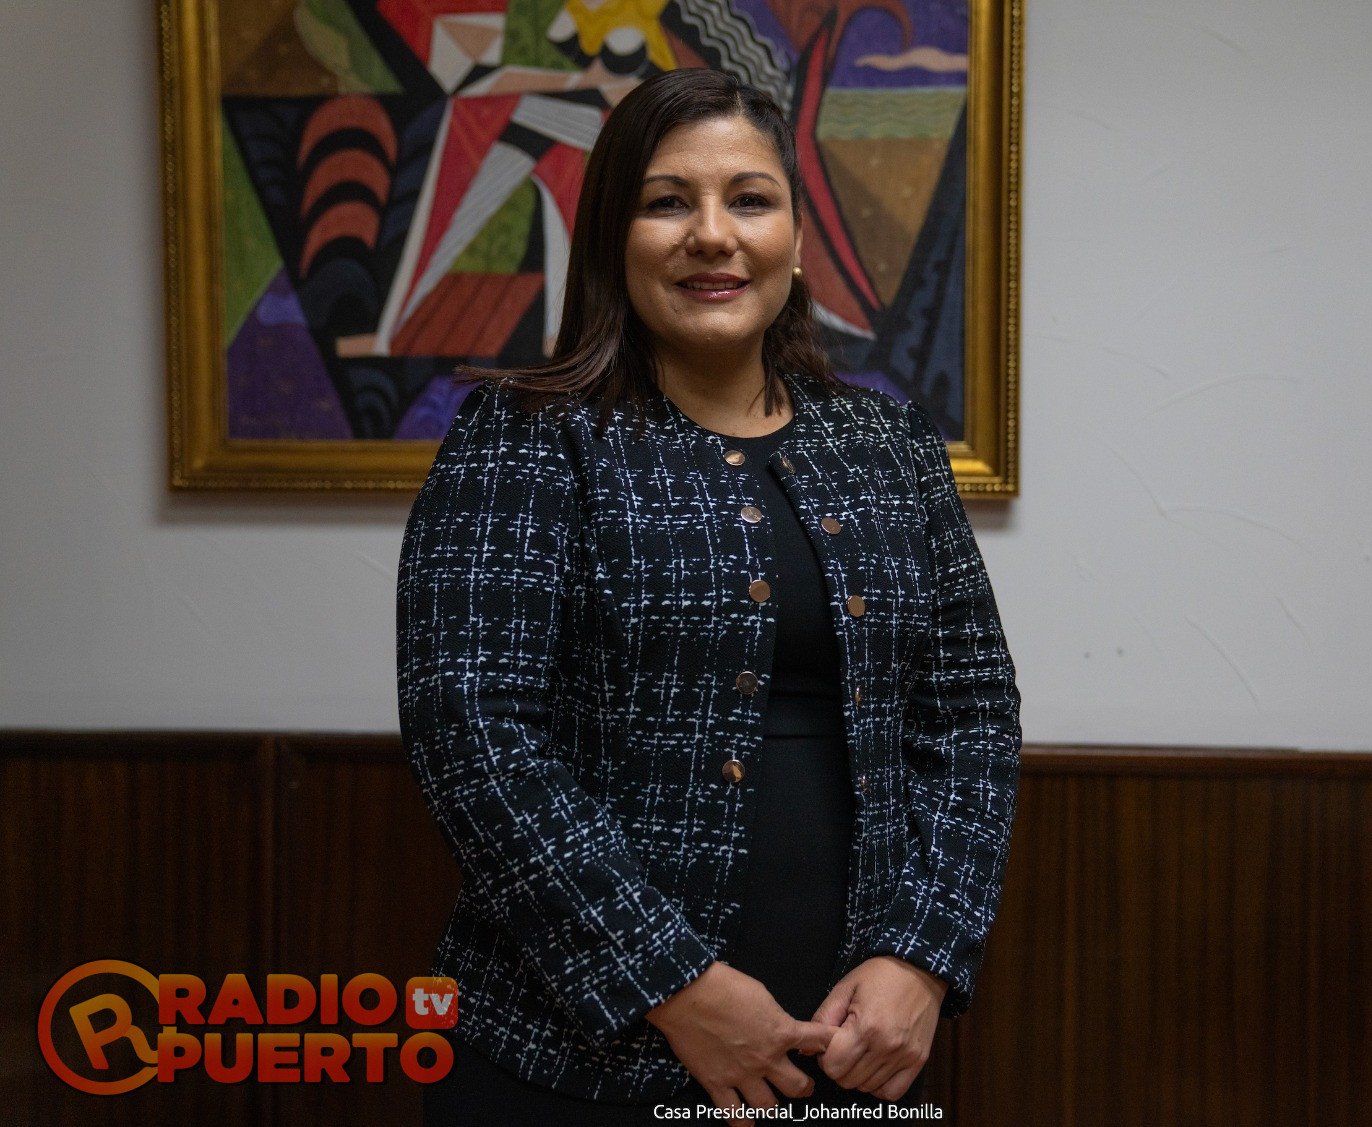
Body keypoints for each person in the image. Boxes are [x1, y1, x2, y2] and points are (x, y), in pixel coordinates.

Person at [395, 67, 1022, 1124]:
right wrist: (669, 981)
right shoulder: (525, 437)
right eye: (666, 202)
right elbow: (471, 732)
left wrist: (923, 954)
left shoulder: (890, 446)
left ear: (796, 236)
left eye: (749, 198)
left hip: (856, 1054)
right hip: (573, 1061)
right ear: (614, 237)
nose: (712, 235)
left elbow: (971, 718)